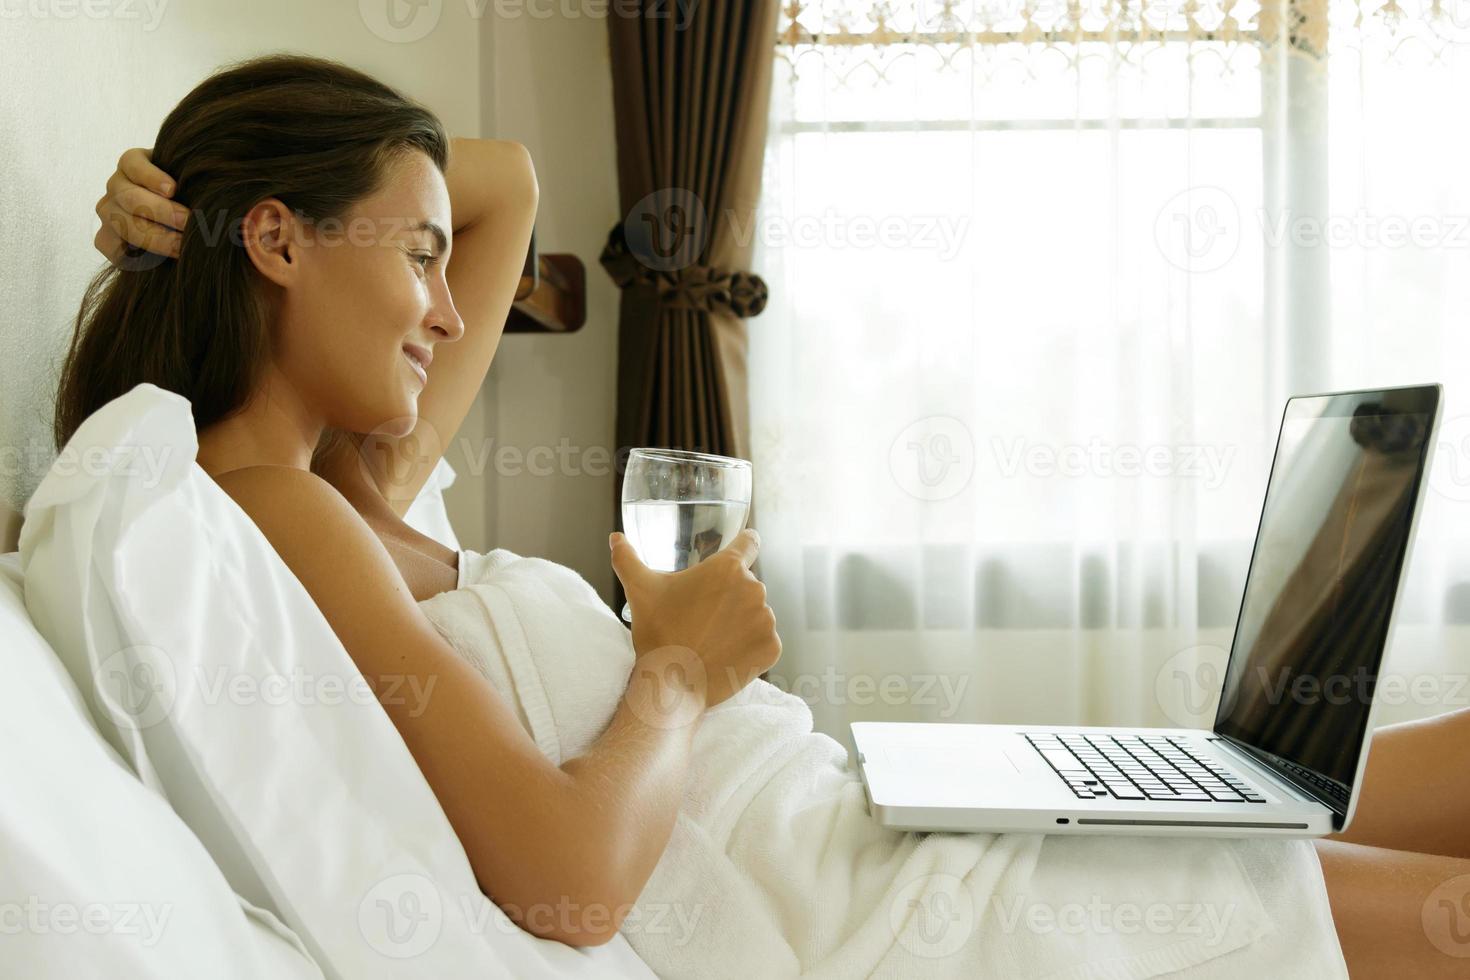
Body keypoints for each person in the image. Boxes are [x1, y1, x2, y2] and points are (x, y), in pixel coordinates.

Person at [74, 52, 1470, 978]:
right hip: (859, 919)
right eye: (421, 257)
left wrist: (176, 195)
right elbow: (567, 888)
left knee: (1326, 785)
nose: (451, 307)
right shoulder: (265, 511)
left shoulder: (364, 485)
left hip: (859, 830)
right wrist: (677, 664)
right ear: (278, 243)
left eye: (446, 264)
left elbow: (506, 183)